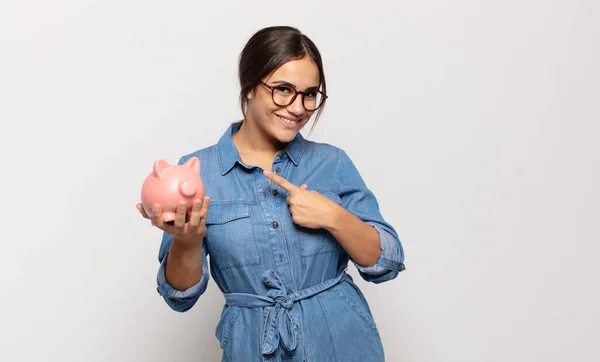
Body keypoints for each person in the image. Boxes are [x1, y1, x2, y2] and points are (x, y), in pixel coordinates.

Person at [136, 25, 406, 362]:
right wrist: (187, 240)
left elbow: (387, 262)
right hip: (252, 349)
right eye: (283, 90)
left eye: (310, 94)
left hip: (343, 343)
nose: (298, 107)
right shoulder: (197, 172)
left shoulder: (332, 163)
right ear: (249, 87)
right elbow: (180, 295)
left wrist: (333, 217)